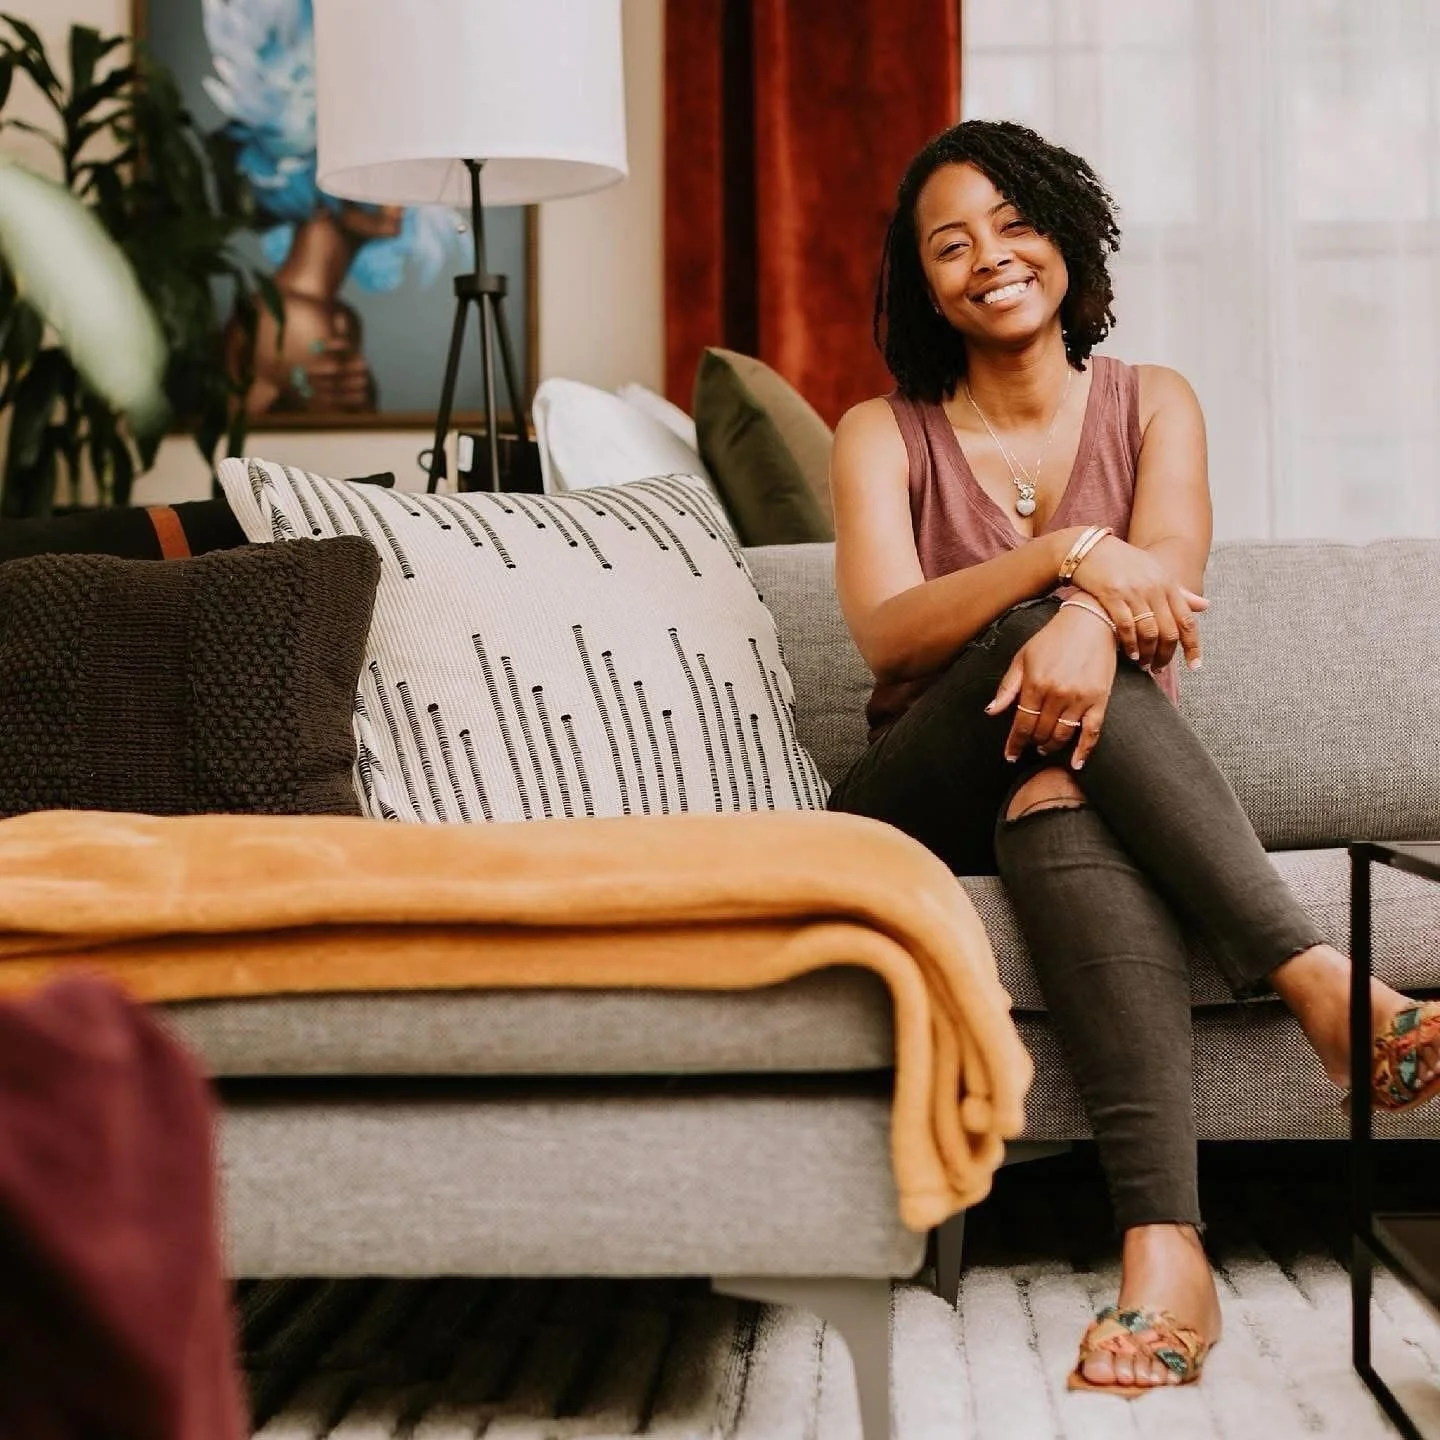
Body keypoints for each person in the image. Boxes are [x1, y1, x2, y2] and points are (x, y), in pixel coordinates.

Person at [825, 118, 1440, 1398]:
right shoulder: (880, 434)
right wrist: (1067, 563)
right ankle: (1325, 985)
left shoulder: (1154, 401)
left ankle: (1167, 1254)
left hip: (1080, 767)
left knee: (1057, 790)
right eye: (950, 244)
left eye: (1015, 222)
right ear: (921, 283)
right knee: (1025, 654)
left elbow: (1172, 586)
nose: (989, 258)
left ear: (1066, 236)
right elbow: (889, 636)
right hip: (916, 789)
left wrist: (1096, 600)